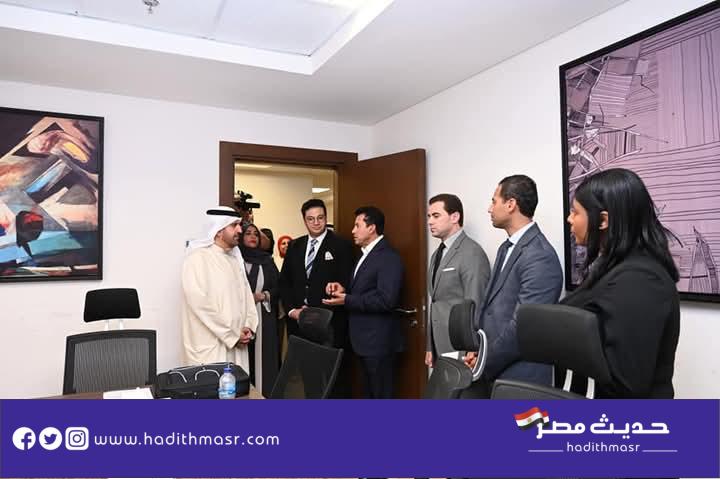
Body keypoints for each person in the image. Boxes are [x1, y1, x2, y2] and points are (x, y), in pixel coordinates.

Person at [562, 168, 680, 398]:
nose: (569, 219)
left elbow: (626, 383)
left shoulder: (641, 280)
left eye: (575, 212)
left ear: (603, 220)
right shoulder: (612, 269)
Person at [465, 175, 563, 392]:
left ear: (510, 204)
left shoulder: (540, 256)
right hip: (494, 368)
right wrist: (478, 349)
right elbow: (490, 307)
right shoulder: (507, 247)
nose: (489, 209)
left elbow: (523, 327)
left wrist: (485, 361)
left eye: (494, 201)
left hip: (519, 375)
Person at [324, 206, 404, 399]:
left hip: (378, 343)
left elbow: (386, 300)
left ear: (371, 228)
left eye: (357, 225)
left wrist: (347, 299)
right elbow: (366, 290)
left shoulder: (388, 257)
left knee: (380, 396)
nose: (353, 231)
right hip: (364, 342)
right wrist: (344, 290)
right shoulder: (365, 254)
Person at [278, 199, 353, 396]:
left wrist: (341, 287)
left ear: (326, 218)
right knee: (309, 378)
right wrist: (292, 311)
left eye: (320, 218)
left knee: (334, 381)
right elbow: (284, 282)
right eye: (311, 219)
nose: (316, 223)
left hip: (330, 324)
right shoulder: (295, 246)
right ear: (304, 220)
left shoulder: (342, 245)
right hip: (300, 324)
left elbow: (350, 280)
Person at [181, 206, 258, 373]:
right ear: (218, 230)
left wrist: (248, 326)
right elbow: (200, 305)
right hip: (210, 349)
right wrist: (232, 335)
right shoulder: (197, 259)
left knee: (238, 387)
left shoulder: (234, 260)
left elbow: (246, 298)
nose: (240, 230)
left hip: (237, 345)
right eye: (234, 225)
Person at [426, 193, 490, 366]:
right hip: (440, 344)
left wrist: (473, 347)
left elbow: (476, 302)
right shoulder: (437, 254)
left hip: (462, 345)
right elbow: (436, 303)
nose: (430, 221)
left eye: (436, 216)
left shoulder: (472, 252)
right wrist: (430, 346)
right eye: (429, 216)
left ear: (455, 217)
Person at [240, 223, 280, 397]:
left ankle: (264, 397)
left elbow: (279, 287)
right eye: (248, 233)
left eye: (255, 234)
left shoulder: (267, 261)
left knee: (264, 359)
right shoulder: (235, 259)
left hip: (264, 315)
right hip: (240, 317)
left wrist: (264, 295)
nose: (252, 237)